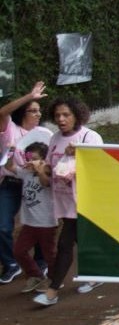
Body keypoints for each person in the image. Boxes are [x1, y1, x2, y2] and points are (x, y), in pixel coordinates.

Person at [34, 99, 103, 306]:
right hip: (63, 201)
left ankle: (52, 290)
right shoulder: (54, 138)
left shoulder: (89, 137)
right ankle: (96, 272)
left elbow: (100, 167)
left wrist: (79, 155)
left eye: (66, 115)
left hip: (84, 200)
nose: (61, 120)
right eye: (57, 116)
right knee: (80, 240)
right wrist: (39, 170)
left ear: (77, 115)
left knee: (65, 244)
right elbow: (49, 170)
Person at [0, 81, 48, 284]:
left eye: (39, 111)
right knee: (2, 226)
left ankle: (41, 262)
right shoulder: (10, 129)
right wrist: (30, 96)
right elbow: (3, 111)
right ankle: (11, 264)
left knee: (40, 222)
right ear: (23, 113)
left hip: (34, 183)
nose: (38, 114)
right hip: (10, 183)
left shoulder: (45, 134)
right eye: (33, 111)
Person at [10, 141, 55, 295]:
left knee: (50, 254)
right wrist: (10, 152)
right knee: (18, 251)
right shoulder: (26, 173)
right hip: (29, 223)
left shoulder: (49, 172)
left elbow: (45, 183)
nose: (29, 161)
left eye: (33, 158)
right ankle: (36, 275)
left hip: (46, 223)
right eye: (27, 157)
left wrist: (40, 169)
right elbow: (9, 167)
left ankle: (55, 279)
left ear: (43, 159)